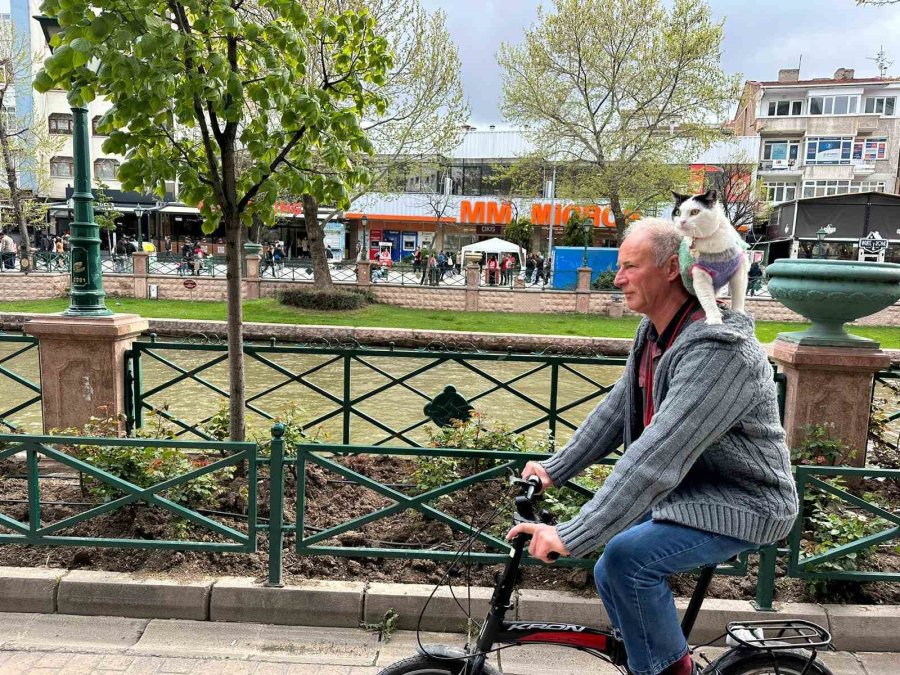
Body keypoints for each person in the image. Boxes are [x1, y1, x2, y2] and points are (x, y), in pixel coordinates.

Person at [506, 218, 798, 675]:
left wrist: (571, 534)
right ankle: (655, 660)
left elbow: (656, 458)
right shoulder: (656, 333)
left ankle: (664, 670)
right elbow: (617, 409)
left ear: (669, 269)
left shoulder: (718, 353)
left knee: (626, 560)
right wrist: (553, 469)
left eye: (629, 266)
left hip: (747, 501)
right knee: (611, 565)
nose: (617, 278)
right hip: (693, 491)